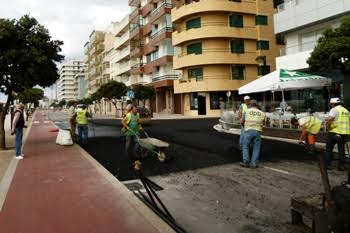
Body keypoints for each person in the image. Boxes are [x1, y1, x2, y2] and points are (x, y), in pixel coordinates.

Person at [325, 98, 350, 171]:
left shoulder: (334, 109)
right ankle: (341, 165)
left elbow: (329, 119)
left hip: (334, 132)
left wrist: (328, 128)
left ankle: (328, 164)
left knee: (329, 149)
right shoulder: (346, 111)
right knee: (341, 149)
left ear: (332, 104)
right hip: (344, 133)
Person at [240, 100, 265, 168]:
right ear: (256, 105)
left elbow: (242, 121)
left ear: (250, 105)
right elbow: (264, 123)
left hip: (248, 130)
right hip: (258, 131)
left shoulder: (247, 111)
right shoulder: (262, 113)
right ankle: (253, 163)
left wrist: (244, 125)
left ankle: (246, 161)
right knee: (256, 148)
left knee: (245, 145)